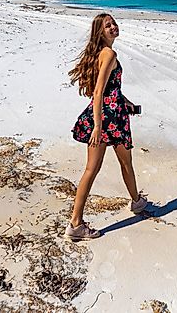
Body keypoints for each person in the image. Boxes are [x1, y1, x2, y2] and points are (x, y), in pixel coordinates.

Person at [65, 13, 148, 240]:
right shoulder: (109, 53)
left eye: (113, 23)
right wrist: (98, 126)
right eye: (107, 25)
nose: (113, 27)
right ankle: (77, 223)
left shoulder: (100, 54)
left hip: (109, 112)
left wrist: (127, 104)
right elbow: (100, 92)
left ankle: (135, 202)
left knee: (92, 170)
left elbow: (109, 90)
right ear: (100, 32)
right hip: (109, 119)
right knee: (125, 163)